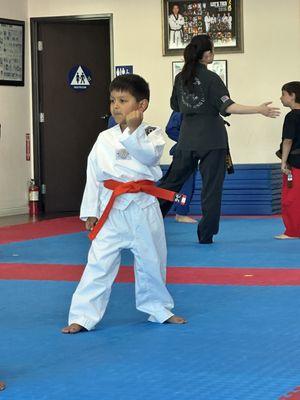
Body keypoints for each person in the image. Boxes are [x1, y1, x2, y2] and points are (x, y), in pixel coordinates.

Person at [62, 74, 186, 334]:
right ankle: (82, 316)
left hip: (143, 207)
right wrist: (90, 212)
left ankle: (159, 309)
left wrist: (132, 131)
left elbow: (148, 157)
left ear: (142, 105)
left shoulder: (152, 134)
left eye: (123, 100)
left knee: (152, 261)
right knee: (98, 263)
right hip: (111, 209)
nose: (116, 106)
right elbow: (94, 176)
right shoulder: (104, 138)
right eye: (112, 101)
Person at [158, 34, 280, 244]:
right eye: (212, 50)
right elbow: (228, 107)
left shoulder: (180, 78)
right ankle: (205, 235)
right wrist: (259, 110)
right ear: (205, 55)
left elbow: (175, 106)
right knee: (211, 189)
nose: (213, 54)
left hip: (187, 139)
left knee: (169, 184)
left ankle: (149, 222)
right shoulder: (211, 78)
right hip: (212, 141)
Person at [275, 81, 300, 240]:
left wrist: (283, 162)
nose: (281, 98)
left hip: (296, 163)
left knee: (290, 199)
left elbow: (288, 141)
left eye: (283, 94)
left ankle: (292, 231)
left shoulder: (292, 116)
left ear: (292, 96)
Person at [165, 111, 197, 223]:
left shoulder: (197, 107)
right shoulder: (181, 107)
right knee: (183, 184)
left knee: (185, 184)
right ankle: (180, 213)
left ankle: (180, 211)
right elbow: (170, 129)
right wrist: (188, 141)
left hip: (190, 151)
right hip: (183, 152)